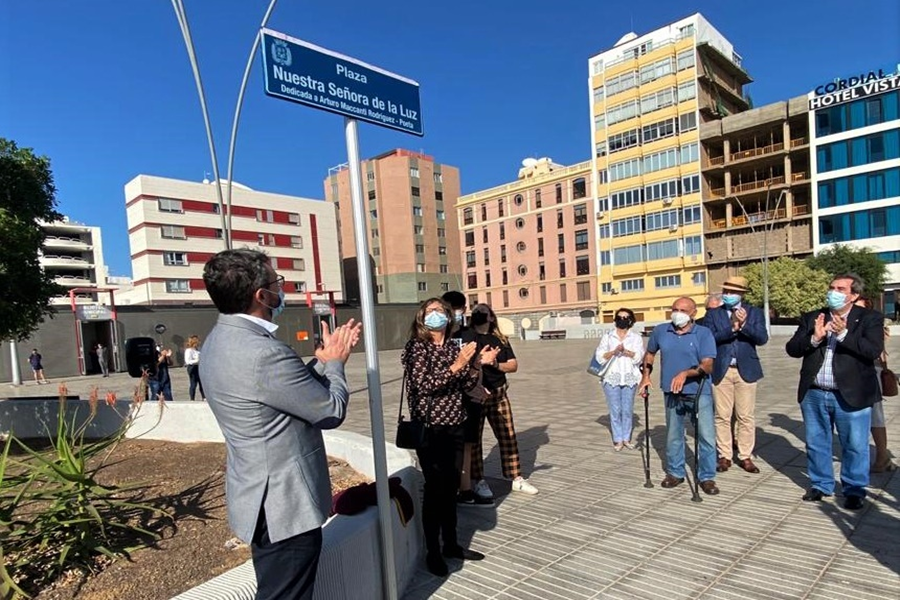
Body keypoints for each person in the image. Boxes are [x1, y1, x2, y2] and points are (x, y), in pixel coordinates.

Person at [200, 248, 361, 600]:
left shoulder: (219, 341)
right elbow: (330, 411)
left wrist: (319, 362)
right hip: (283, 507)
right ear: (261, 295)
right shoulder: (263, 351)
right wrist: (335, 364)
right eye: (277, 282)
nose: (281, 290)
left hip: (257, 497)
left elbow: (278, 394)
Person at [402, 297, 495, 576]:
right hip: (431, 428)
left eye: (440, 311)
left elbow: (466, 383)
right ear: (421, 317)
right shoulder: (417, 347)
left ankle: (451, 544)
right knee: (434, 489)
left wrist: (476, 364)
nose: (436, 315)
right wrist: (458, 364)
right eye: (430, 311)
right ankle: (433, 550)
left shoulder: (455, 346)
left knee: (451, 487)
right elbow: (424, 384)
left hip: (455, 424)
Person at [786, 273, 884, 510]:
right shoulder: (814, 317)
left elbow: (872, 351)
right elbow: (792, 349)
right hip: (815, 392)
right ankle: (821, 484)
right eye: (832, 287)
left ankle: (854, 489)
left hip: (851, 394)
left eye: (841, 288)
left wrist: (842, 335)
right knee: (817, 441)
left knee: (854, 444)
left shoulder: (869, 318)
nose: (834, 292)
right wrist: (814, 338)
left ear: (854, 295)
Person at [639, 296, 719, 494]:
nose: (677, 313)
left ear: (693, 313)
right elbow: (649, 354)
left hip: (699, 391)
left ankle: (707, 477)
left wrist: (685, 373)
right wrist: (646, 376)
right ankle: (675, 472)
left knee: (706, 436)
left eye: (683, 310)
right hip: (671, 391)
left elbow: (708, 365)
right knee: (674, 435)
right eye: (675, 309)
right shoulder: (661, 331)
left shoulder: (703, 333)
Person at [467, 303, 539, 496]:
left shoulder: (500, 339)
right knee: (474, 440)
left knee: (507, 436)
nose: (479, 314)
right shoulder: (466, 337)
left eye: (483, 312)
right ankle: (478, 480)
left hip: (498, 395)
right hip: (475, 395)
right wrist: (480, 361)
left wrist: (496, 363)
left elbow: (513, 365)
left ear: (491, 317)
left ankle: (516, 478)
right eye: (475, 312)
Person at [703, 276, 768, 474]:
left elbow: (762, 338)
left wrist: (745, 325)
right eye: (726, 291)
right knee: (722, 415)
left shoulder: (754, 312)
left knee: (745, 416)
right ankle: (724, 455)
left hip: (745, 370)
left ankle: (745, 456)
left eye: (732, 292)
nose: (728, 295)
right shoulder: (714, 314)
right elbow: (709, 338)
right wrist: (732, 328)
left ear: (741, 294)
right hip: (722, 369)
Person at [442, 291, 494, 507]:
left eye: (457, 308)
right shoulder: (437, 336)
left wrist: (480, 386)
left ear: (463, 310)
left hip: (469, 398)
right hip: (444, 400)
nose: (454, 312)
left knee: (467, 445)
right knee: (446, 445)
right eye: (449, 308)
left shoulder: (470, 335)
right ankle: (446, 487)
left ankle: (465, 489)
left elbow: (476, 365)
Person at [854, 297, 895, 473]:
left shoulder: (872, 324)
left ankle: (882, 456)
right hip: (851, 373)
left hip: (871, 372)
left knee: (875, 416)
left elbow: (878, 352)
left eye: (860, 308)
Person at [594, 308, 643, 450]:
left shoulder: (635, 338)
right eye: (620, 317)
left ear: (631, 320)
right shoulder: (608, 337)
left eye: (626, 317)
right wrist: (613, 352)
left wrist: (626, 352)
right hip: (611, 377)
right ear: (615, 319)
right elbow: (599, 356)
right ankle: (617, 439)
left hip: (629, 376)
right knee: (615, 409)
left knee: (627, 409)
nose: (623, 319)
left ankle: (626, 438)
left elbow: (639, 357)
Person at [184, 335, 205, 401]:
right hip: (192, 367)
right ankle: (192, 398)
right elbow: (188, 361)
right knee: (193, 383)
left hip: (199, 367)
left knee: (202, 383)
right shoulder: (189, 350)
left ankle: (204, 397)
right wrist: (197, 360)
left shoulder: (198, 349)